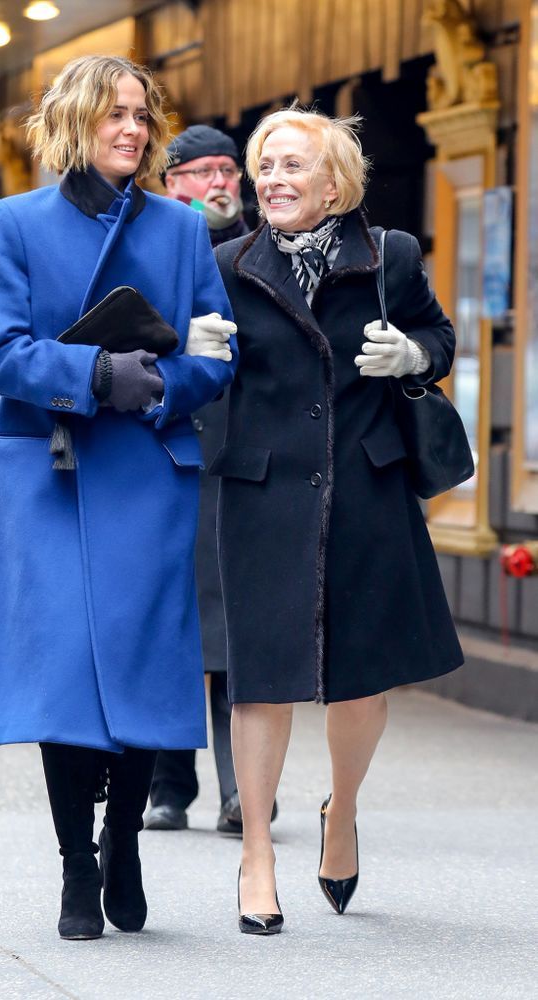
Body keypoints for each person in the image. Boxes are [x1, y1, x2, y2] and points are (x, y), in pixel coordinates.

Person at [0, 55, 236, 941]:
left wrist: (162, 386)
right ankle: (76, 865)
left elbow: (214, 350)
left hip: (146, 470)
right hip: (47, 474)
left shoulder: (180, 230)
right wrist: (93, 371)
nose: (131, 128)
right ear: (72, 124)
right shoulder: (13, 222)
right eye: (112, 114)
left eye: (139, 114)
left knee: (142, 666)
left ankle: (122, 839)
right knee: (64, 676)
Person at [211, 107, 463, 934]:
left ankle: (341, 811)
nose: (274, 181)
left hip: (364, 489)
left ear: (333, 183)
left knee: (360, 683)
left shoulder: (389, 256)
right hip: (262, 493)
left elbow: (437, 334)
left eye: (291, 167)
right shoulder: (226, 265)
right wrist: (195, 353)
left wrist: (414, 354)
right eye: (265, 167)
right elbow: (198, 373)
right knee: (261, 682)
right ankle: (255, 853)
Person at [146, 125, 253, 835]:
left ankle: (242, 788)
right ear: (172, 181)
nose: (219, 182)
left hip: (244, 458)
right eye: (201, 172)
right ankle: (166, 786)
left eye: (229, 170)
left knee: (237, 632)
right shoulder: (153, 243)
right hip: (170, 453)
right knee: (168, 627)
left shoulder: (261, 247)